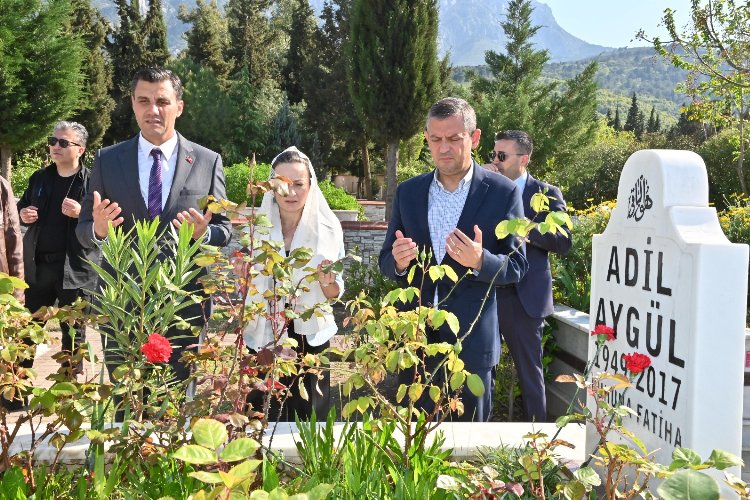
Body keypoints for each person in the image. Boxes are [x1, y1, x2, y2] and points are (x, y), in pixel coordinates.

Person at [76, 67, 232, 382]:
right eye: (144, 101)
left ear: (179, 107)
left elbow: (225, 229)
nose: (153, 110)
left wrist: (204, 234)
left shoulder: (206, 161)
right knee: (126, 404)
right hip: (123, 303)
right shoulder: (107, 159)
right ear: (133, 104)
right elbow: (84, 228)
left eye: (162, 101)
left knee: (174, 408)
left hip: (183, 303)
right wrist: (100, 231)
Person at [378, 97, 528, 422]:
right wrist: (399, 262)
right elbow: (386, 261)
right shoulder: (409, 192)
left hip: (470, 348)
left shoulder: (503, 192)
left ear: (474, 139)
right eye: (435, 139)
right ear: (426, 140)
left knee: (469, 453)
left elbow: (518, 266)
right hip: (414, 342)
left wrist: (480, 260)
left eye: (454, 138)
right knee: (414, 448)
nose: (444, 148)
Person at [243, 146, 345, 421]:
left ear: (311, 185)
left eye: (299, 184)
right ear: (271, 186)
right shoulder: (256, 229)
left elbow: (334, 294)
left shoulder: (328, 229)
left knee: (309, 419)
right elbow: (246, 289)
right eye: (282, 184)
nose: (291, 192)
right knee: (262, 416)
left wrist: (328, 283)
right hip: (264, 332)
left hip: (309, 335)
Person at [487, 130, 572, 422]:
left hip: (525, 298)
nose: (495, 161)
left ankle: (538, 443)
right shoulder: (487, 188)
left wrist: (527, 229)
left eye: (502, 155)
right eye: (493, 155)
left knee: (530, 374)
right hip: (487, 292)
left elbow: (563, 241)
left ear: (524, 159)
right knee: (481, 369)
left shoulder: (547, 193)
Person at [17, 121, 100, 376]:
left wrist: (81, 213)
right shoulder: (40, 178)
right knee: (28, 329)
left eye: (64, 143)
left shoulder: (92, 182)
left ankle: (69, 391)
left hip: (75, 269)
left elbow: (105, 224)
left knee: (73, 333)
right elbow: (21, 207)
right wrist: (23, 214)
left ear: (81, 149)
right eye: (53, 142)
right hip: (40, 266)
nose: (56, 147)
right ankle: (16, 393)